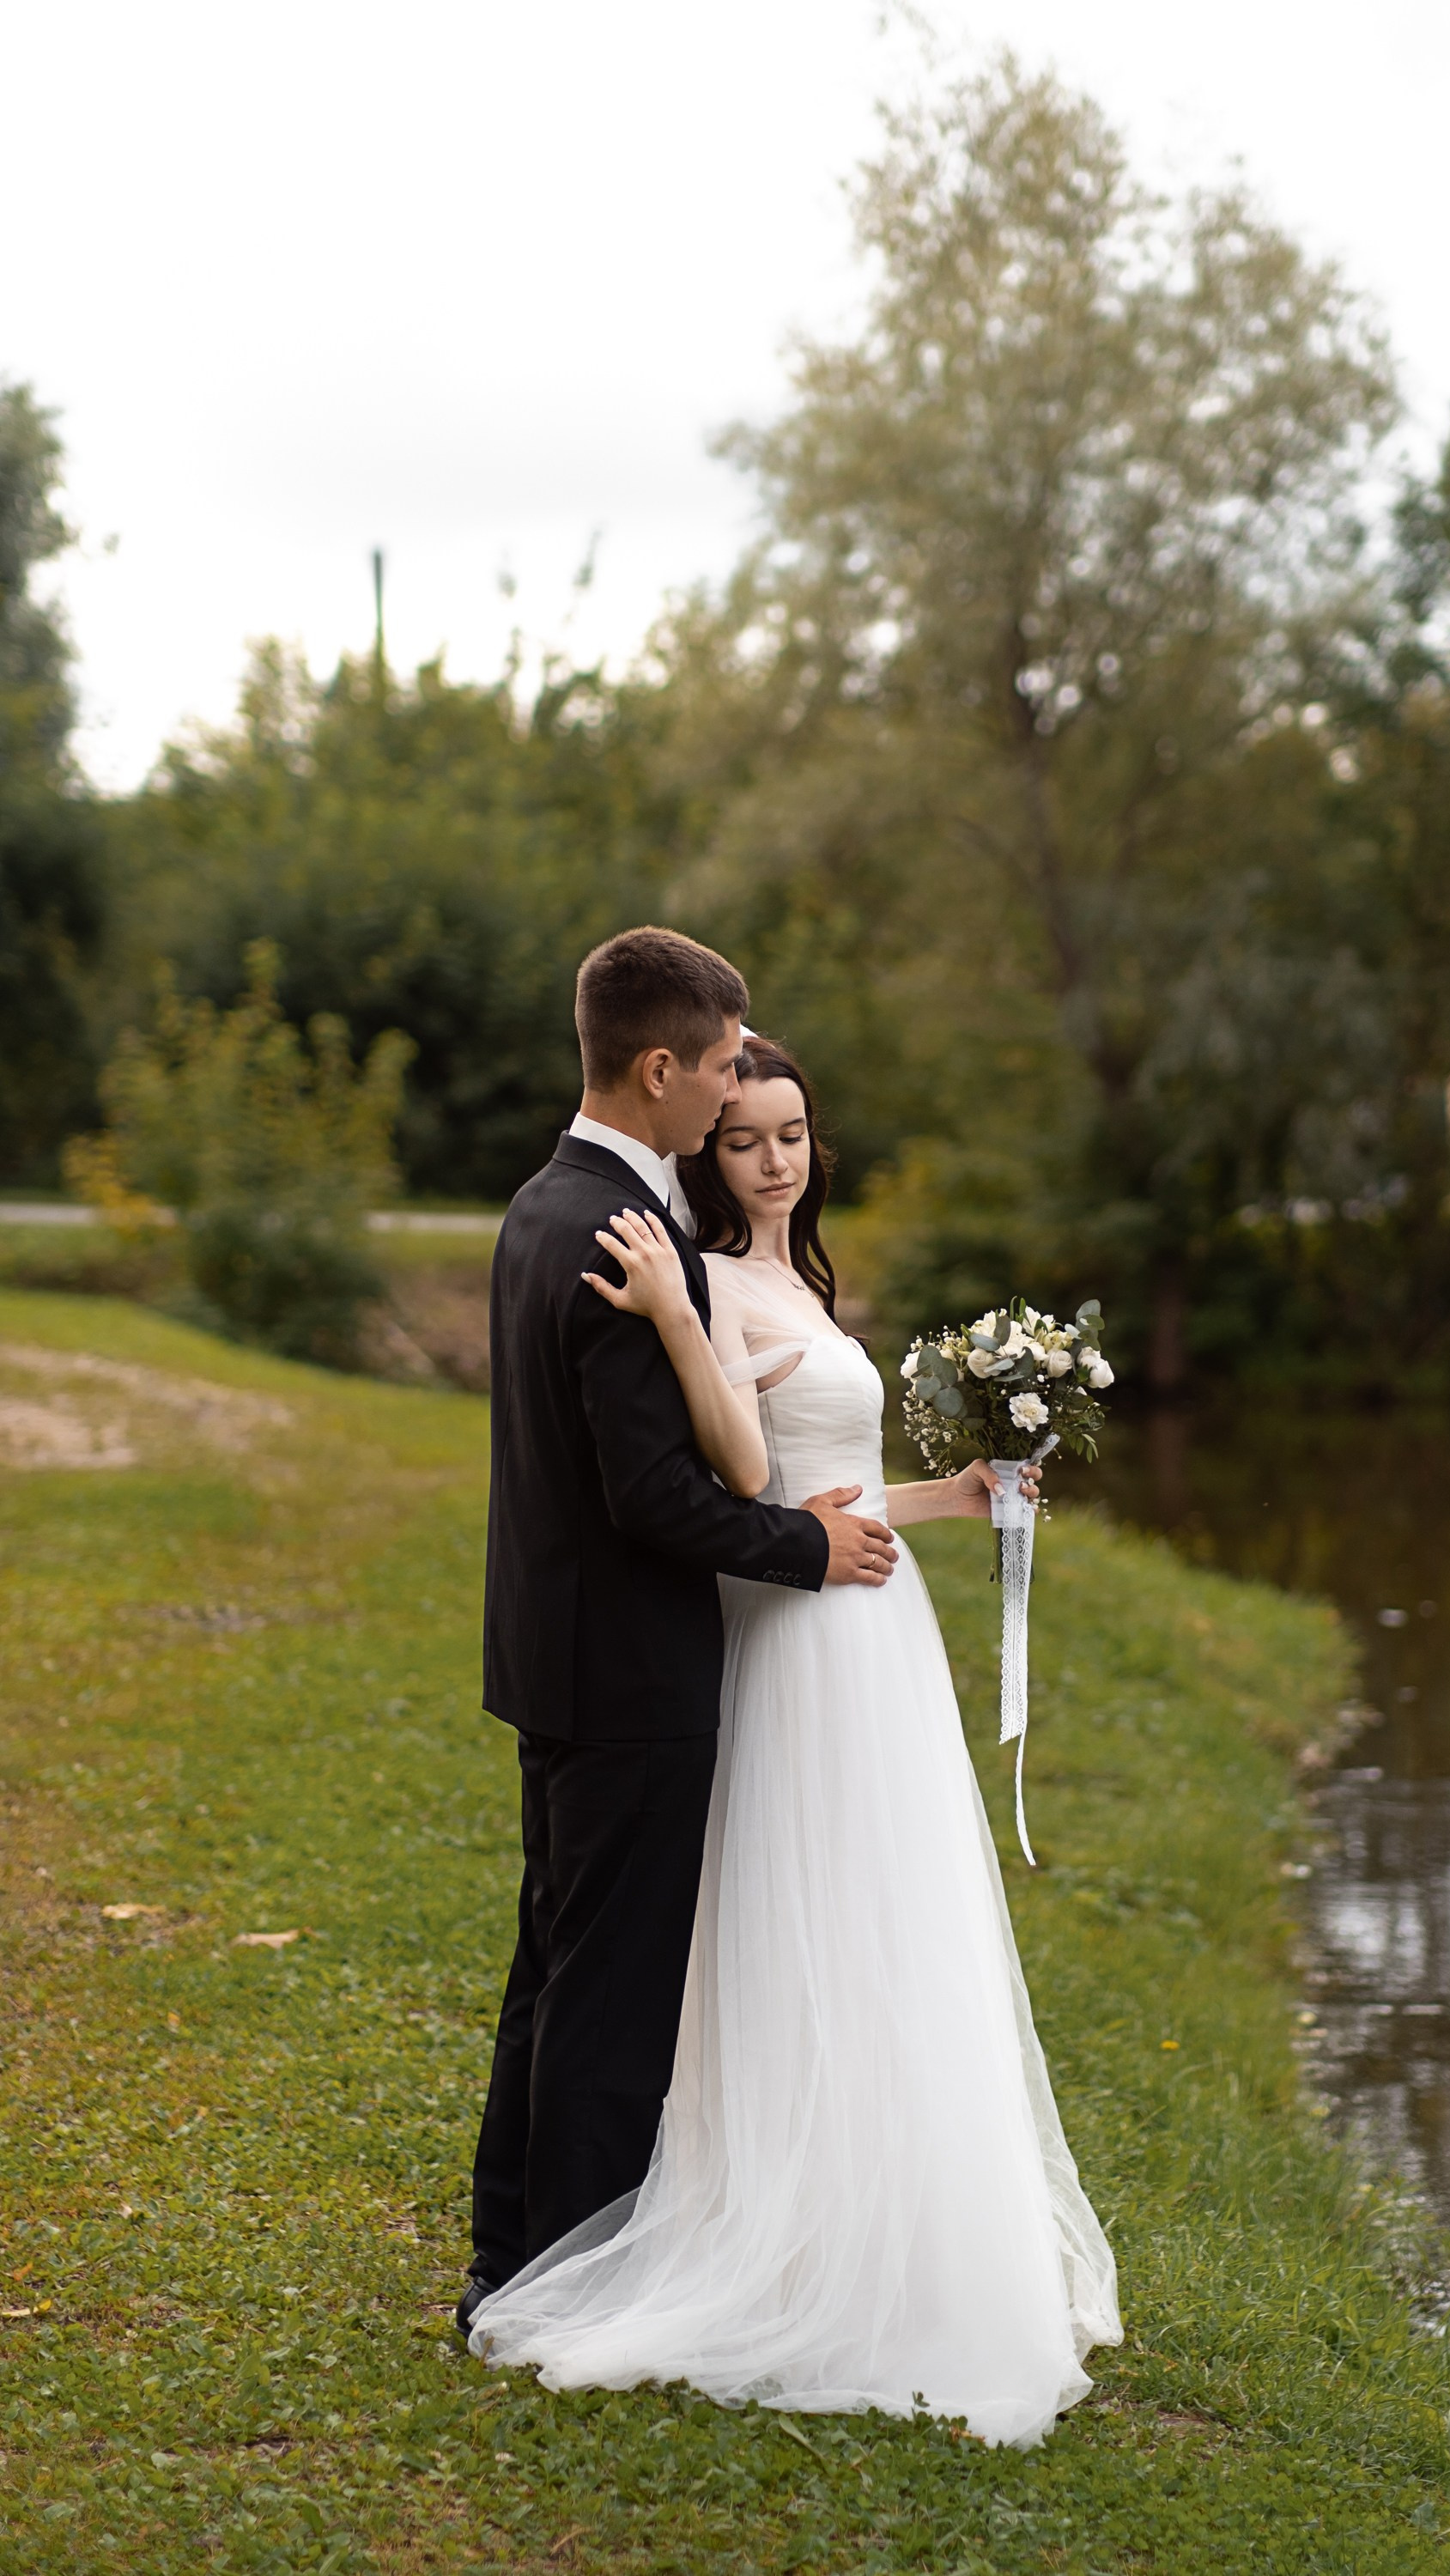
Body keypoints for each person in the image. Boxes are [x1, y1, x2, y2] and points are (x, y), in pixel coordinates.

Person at [469, 1035, 1121, 2445]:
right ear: (702, 1139)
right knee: (764, 1920)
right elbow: (752, 1481)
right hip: (784, 1620)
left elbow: (832, 1485)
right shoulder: (688, 1275)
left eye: (794, 1133)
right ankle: (664, 2233)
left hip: (860, 1622)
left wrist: (954, 1497)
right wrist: (690, 1326)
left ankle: (864, 2210)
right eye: (746, 1131)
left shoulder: (803, 1281)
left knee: (880, 1923)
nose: (773, 1155)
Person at [463, 934, 898, 2335]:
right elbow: (653, 1498)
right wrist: (808, 1549)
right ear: (660, 1067)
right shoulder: (611, 1230)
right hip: (631, 1671)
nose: (730, 1097)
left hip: (559, 1656)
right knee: (611, 2000)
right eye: (719, 1067)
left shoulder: (550, 1200)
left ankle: (507, 2266)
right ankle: (572, 2290)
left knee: (556, 1972)